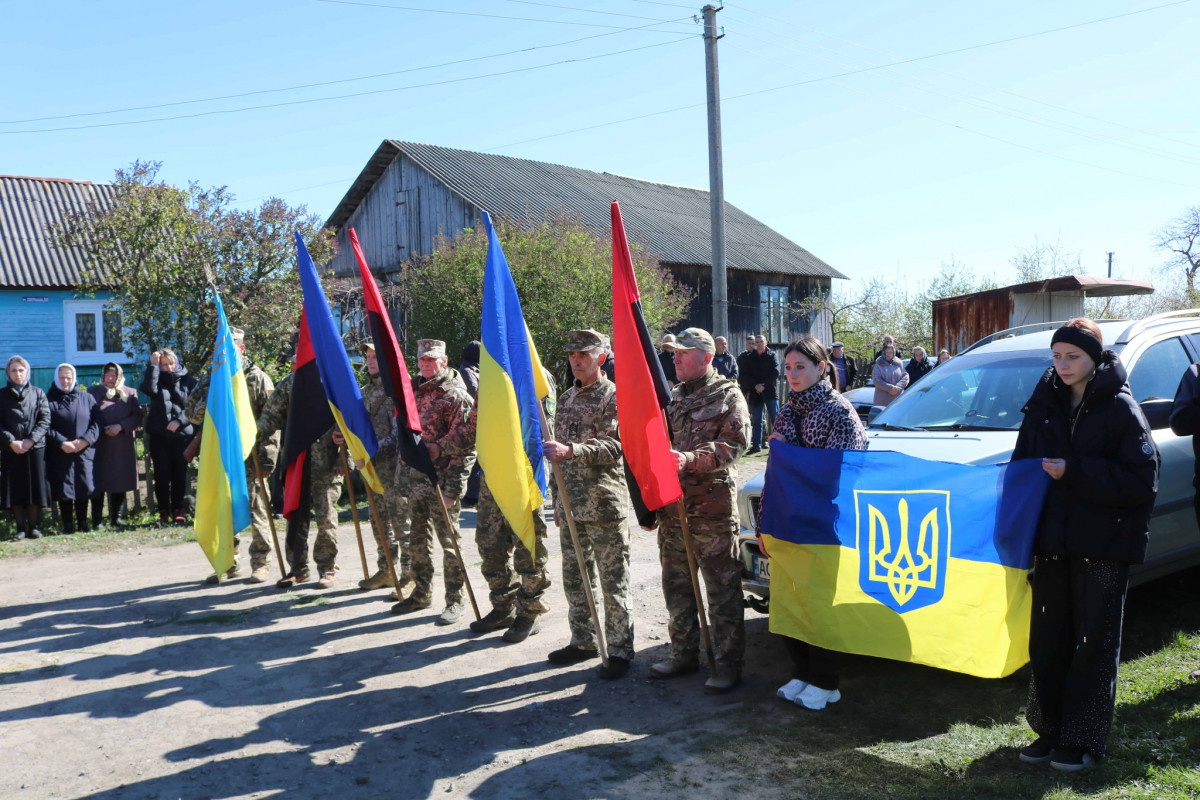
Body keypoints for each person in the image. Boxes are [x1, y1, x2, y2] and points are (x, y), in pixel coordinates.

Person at [1012, 317, 1159, 772]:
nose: (1062, 365)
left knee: (1093, 642)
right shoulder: (1043, 404)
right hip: (1054, 543)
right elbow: (1022, 467)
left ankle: (1082, 739)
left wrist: (1073, 470)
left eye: (1072, 356)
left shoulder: (1120, 408)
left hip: (1103, 545)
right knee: (1049, 641)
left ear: (1094, 358)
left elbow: (1142, 480)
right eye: (1056, 356)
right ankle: (1050, 730)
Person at [765, 338, 868, 710]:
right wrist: (765, 524)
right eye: (788, 368)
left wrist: (790, 452)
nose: (792, 375)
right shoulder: (785, 412)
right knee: (792, 600)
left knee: (821, 603)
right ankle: (804, 671)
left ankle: (827, 680)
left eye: (800, 367)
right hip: (787, 523)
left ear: (822, 368)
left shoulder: (840, 412)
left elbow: (844, 473)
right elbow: (773, 475)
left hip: (826, 526)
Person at [651, 328, 751, 694]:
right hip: (673, 511)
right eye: (673, 353)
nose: (674, 359)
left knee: (721, 589)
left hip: (711, 510)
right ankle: (683, 654)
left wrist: (690, 459)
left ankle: (727, 663)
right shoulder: (671, 398)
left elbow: (737, 445)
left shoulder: (728, 395)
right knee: (677, 586)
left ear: (706, 357)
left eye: (682, 353)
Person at [542, 329, 635, 679]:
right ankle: (583, 641)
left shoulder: (614, 395)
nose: (576, 359)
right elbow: (556, 454)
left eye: (583, 353)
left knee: (613, 580)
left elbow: (615, 446)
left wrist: (573, 452)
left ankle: (621, 649)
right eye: (572, 354)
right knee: (576, 578)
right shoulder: (565, 399)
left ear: (602, 355)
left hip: (603, 503)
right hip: (571, 504)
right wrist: (557, 501)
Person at [387, 339, 477, 624]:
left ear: (444, 360)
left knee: (450, 544)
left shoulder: (456, 395)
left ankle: (455, 600)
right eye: (422, 359)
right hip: (415, 481)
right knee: (417, 541)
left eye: (432, 359)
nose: (426, 363)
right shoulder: (410, 390)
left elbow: (468, 447)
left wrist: (454, 489)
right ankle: (422, 592)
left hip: (442, 482)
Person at [469, 365, 557, 644]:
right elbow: (477, 421)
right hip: (493, 475)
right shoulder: (490, 373)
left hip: (524, 473)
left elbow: (544, 425)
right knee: (489, 544)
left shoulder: (533, 372)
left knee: (528, 548)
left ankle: (529, 613)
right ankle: (502, 606)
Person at [185, 328, 278, 583]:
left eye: (231, 347)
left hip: (252, 456)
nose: (225, 352)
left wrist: (268, 457)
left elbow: (271, 422)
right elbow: (190, 415)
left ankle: (261, 563)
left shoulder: (258, 379)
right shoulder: (210, 380)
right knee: (223, 510)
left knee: (258, 510)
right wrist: (209, 404)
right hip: (221, 457)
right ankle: (227, 562)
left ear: (242, 349)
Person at [255, 366, 342, 589]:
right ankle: (297, 569)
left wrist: (346, 457)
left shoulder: (335, 376)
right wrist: (251, 432)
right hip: (298, 461)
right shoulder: (291, 382)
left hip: (328, 462)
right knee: (295, 517)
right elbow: (272, 415)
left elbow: (351, 420)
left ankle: (327, 568)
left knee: (326, 520)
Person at [357, 340, 414, 594]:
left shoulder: (395, 392)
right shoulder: (363, 392)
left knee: (401, 524)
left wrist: (372, 449)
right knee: (378, 522)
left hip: (395, 472)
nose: (370, 361)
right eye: (367, 357)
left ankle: (410, 574)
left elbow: (397, 434)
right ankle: (387, 570)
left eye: (374, 357)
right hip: (373, 472)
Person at [139, 348, 196, 526]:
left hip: (182, 436)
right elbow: (148, 389)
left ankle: (178, 510)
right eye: (164, 365)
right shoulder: (156, 377)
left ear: (176, 361)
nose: (169, 368)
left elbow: (196, 406)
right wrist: (153, 367)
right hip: (160, 436)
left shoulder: (189, 380)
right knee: (162, 475)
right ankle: (163, 511)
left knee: (179, 475)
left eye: (171, 363)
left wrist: (180, 421)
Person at [45, 364, 100, 535]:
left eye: (69, 377)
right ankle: (67, 525)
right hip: (61, 452)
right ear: (56, 378)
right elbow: (45, 426)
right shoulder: (48, 400)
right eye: (62, 377)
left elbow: (97, 423)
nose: (65, 381)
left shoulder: (87, 398)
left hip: (83, 451)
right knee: (65, 488)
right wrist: (61, 442)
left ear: (74, 378)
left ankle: (83, 523)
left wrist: (85, 440)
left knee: (83, 486)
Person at [0, 356, 51, 540]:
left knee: (34, 488)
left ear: (27, 372)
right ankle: (20, 528)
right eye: (14, 370)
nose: (18, 374)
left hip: (34, 449)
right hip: (10, 450)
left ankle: (34, 527)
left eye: (21, 370)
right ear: (8, 373)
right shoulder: (1, 395)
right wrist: (11, 441)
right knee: (15, 488)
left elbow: (45, 420)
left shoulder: (38, 393)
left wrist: (31, 440)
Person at [87, 362, 141, 530]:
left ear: (120, 376)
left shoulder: (130, 393)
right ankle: (97, 521)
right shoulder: (93, 392)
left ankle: (116, 519)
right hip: (99, 444)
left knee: (119, 480)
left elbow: (137, 416)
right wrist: (101, 428)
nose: (110, 378)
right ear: (103, 376)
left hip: (121, 445)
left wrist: (120, 427)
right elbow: (87, 413)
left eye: (114, 375)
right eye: (107, 375)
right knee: (98, 481)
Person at [739, 334, 779, 453]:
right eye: (757, 342)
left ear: (766, 343)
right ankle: (756, 446)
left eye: (761, 341)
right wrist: (756, 385)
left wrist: (764, 385)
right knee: (757, 421)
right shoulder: (750, 357)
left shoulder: (772, 355)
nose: (759, 344)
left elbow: (775, 371)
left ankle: (779, 445)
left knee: (775, 419)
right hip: (755, 392)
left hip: (770, 391)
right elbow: (745, 375)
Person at [458, 340, 482, 508]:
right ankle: (471, 495)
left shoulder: (476, 370)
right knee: (474, 458)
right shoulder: (467, 371)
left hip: (480, 419)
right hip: (471, 420)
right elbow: (474, 394)